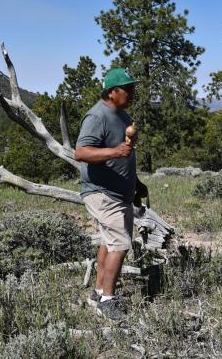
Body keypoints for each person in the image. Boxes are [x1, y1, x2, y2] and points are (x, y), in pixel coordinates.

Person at [74, 67, 138, 321]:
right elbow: (81, 152)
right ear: (112, 92)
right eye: (128, 89)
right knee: (121, 244)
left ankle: (99, 291)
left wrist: (137, 182)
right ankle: (108, 302)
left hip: (119, 192)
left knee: (108, 242)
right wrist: (114, 153)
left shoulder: (122, 116)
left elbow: (124, 153)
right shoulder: (97, 116)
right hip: (102, 192)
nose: (132, 94)